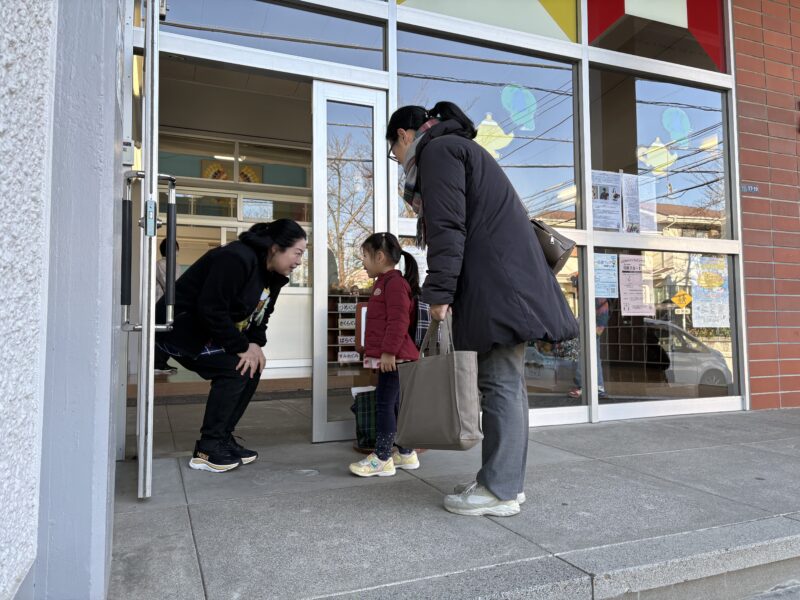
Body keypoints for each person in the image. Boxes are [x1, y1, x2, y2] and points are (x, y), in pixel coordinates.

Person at [387, 101, 578, 516]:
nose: (398, 160)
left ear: (403, 135)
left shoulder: (438, 152)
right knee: (505, 383)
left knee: (499, 384)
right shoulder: (458, 148)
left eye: (394, 151)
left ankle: (500, 489)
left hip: (497, 285)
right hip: (505, 282)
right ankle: (503, 481)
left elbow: (448, 228)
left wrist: (439, 294)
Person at [155, 219, 307, 473]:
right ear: (275, 248)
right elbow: (211, 308)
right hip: (179, 330)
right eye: (298, 253)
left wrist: (255, 344)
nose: (299, 261)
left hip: (208, 330)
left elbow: (262, 315)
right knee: (235, 368)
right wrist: (241, 346)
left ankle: (222, 437)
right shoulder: (236, 258)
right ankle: (207, 448)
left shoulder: (273, 276)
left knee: (252, 366)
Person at [349, 232, 421, 477]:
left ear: (379, 257)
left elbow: (398, 321)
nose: (362, 262)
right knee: (395, 404)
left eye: (365, 256)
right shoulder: (384, 283)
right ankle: (406, 453)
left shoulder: (394, 284)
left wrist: (388, 352)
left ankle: (381, 457)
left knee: (384, 404)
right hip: (393, 356)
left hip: (394, 357)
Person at [154, 238, 180, 375]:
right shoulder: (161, 264)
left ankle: (161, 361)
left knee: (168, 333)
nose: (176, 251)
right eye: (175, 248)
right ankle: (157, 363)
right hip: (161, 305)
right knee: (162, 334)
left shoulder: (175, 265)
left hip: (170, 305)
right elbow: (169, 285)